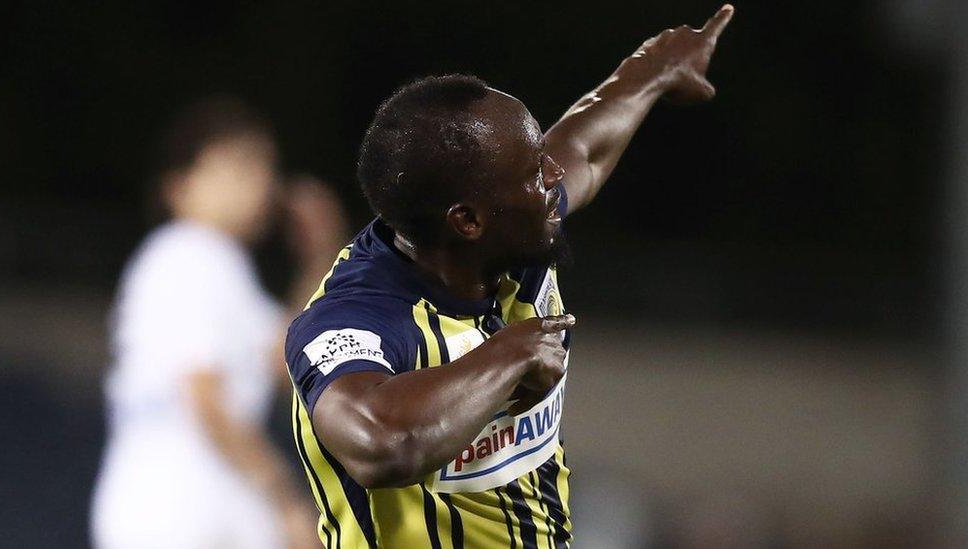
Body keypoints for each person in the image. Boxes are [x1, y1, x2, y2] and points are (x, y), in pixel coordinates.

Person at [284, 5, 734, 548]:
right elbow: (382, 443)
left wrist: (654, 67)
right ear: (467, 220)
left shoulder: (514, 239)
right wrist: (509, 356)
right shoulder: (355, 317)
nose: (555, 177)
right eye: (533, 172)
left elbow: (586, 145)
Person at [91, 97, 345, 549]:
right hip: (180, 504)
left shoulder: (208, 264)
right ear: (179, 185)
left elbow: (291, 360)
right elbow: (203, 397)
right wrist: (282, 496)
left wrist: (321, 257)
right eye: (237, 165)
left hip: (185, 501)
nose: (258, 182)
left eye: (263, 167)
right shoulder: (191, 252)